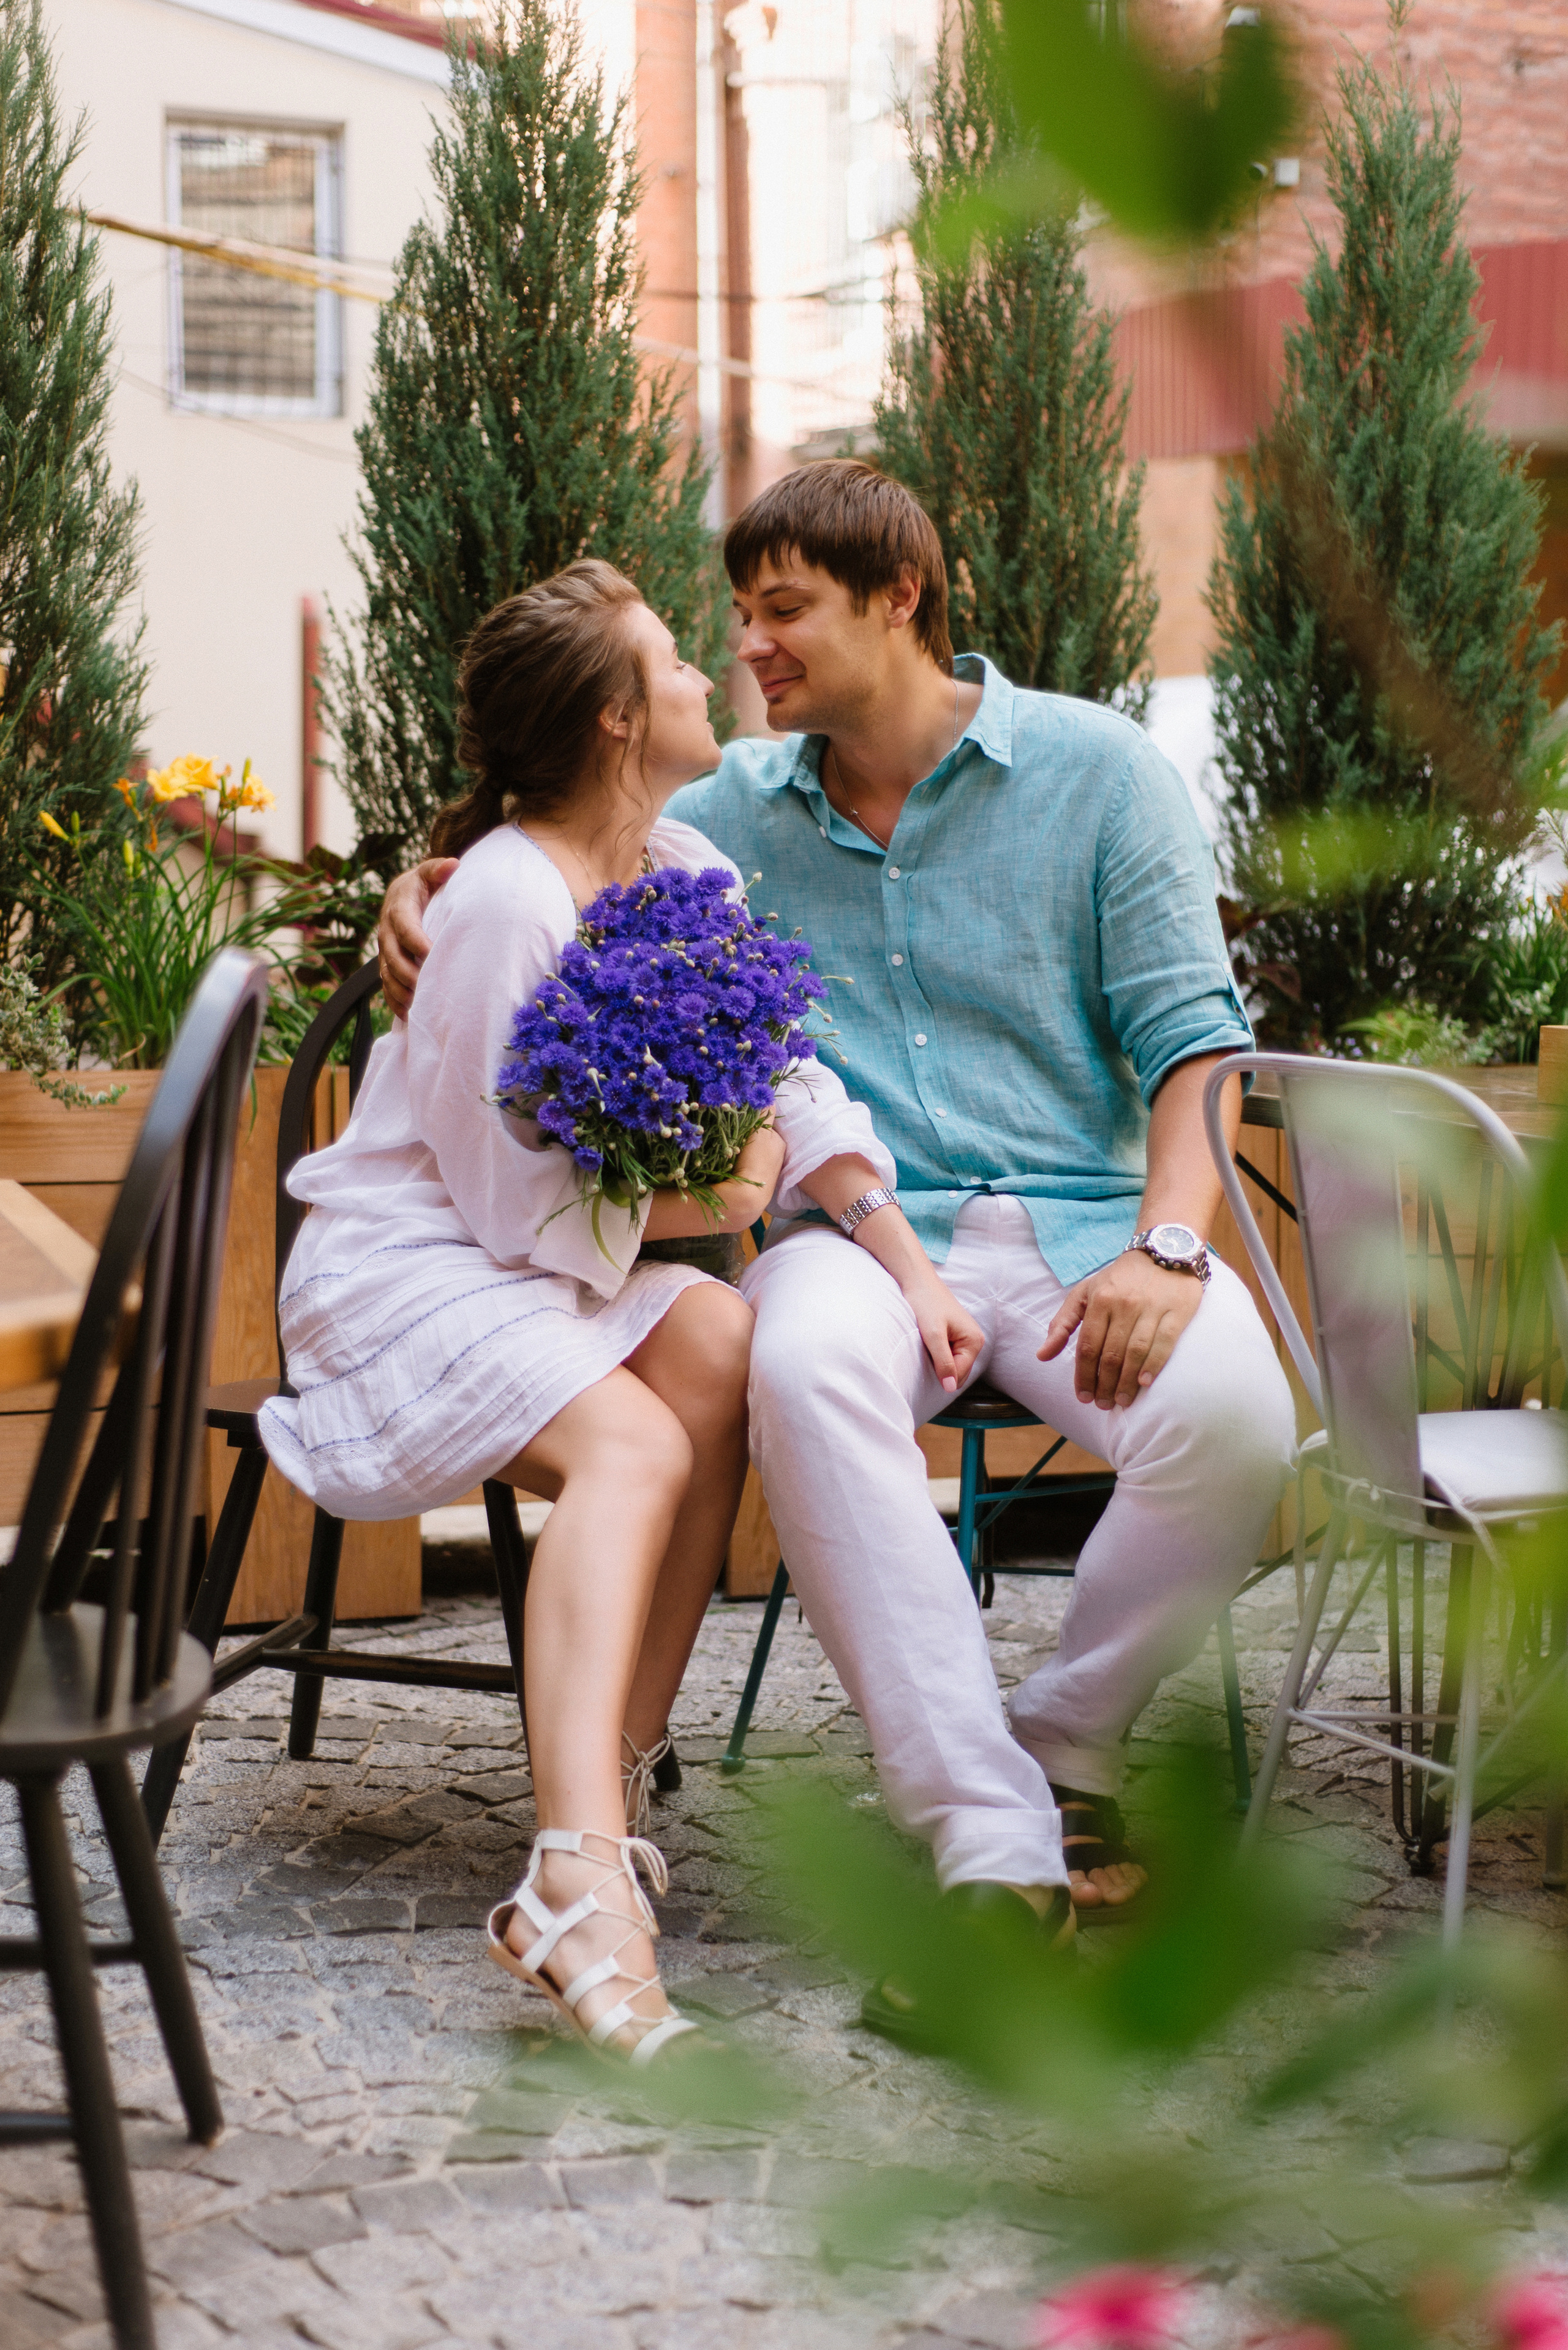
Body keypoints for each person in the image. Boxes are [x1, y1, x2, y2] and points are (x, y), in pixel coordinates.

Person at [379, 466, 1297, 2008]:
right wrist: (408, 897)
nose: (751, 646)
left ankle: (1057, 1742)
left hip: (1084, 1228)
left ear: (899, 599)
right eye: (735, 617)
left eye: (783, 609)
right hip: (851, 1236)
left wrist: (1170, 1247)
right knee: (795, 1368)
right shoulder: (729, 803)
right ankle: (989, 1848)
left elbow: (1196, 1050)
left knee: (1240, 1422)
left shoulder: (1102, 773)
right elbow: (538, 828)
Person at [262, 557, 1001, 2065]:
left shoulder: (688, 874)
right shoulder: (502, 903)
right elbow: (501, 1205)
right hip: (409, 1266)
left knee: (726, 1353)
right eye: (670, 661)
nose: (705, 670)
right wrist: (721, 1204)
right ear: (613, 720)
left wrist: (896, 1256)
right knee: (637, 1452)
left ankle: (605, 1766)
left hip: (542, 1258)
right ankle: (578, 1877)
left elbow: (790, 1079)